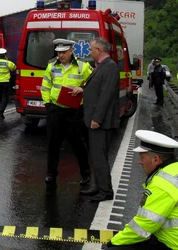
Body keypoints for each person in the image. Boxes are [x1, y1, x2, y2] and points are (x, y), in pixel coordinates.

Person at [105, 130, 178, 250]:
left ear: (155, 159)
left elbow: (144, 225)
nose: (139, 162)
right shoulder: (174, 170)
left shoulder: (163, 183)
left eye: (142, 157)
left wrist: (114, 242)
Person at [71, 37, 120, 202]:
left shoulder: (110, 67)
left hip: (101, 121)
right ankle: (98, 186)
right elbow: (96, 87)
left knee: (100, 156)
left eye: (91, 50)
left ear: (99, 50)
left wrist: (97, 118)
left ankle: (105, 191)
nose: (90, 52)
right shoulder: (101, 67)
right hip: (94, 119)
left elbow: (105, 96)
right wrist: (82, 89)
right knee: (96, 156)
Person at [40, 38, 92, 185]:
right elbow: (45, 86)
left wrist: (83, 89)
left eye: (63, 52)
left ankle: (86, 174)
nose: (61, 55)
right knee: (53, 144)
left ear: (71, 51)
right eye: (58, 52)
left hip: (74, 111)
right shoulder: (52, 66)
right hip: (55, 110)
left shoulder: (83, 66)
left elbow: (93, 83)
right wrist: (48, 104)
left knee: (78, 144)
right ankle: (51, 174)